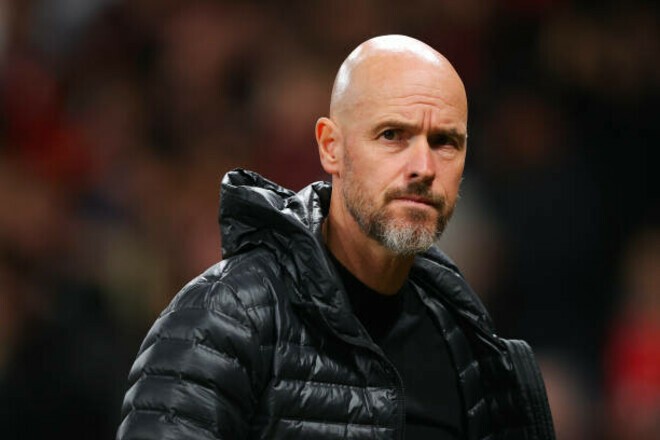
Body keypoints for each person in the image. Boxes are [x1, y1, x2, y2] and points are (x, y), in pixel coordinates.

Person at [116, 35, 555, 440]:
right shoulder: (223, 319)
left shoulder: (467, 343)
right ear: (331, 147)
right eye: (392, 135)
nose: (423, 167)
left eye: (445, 142)